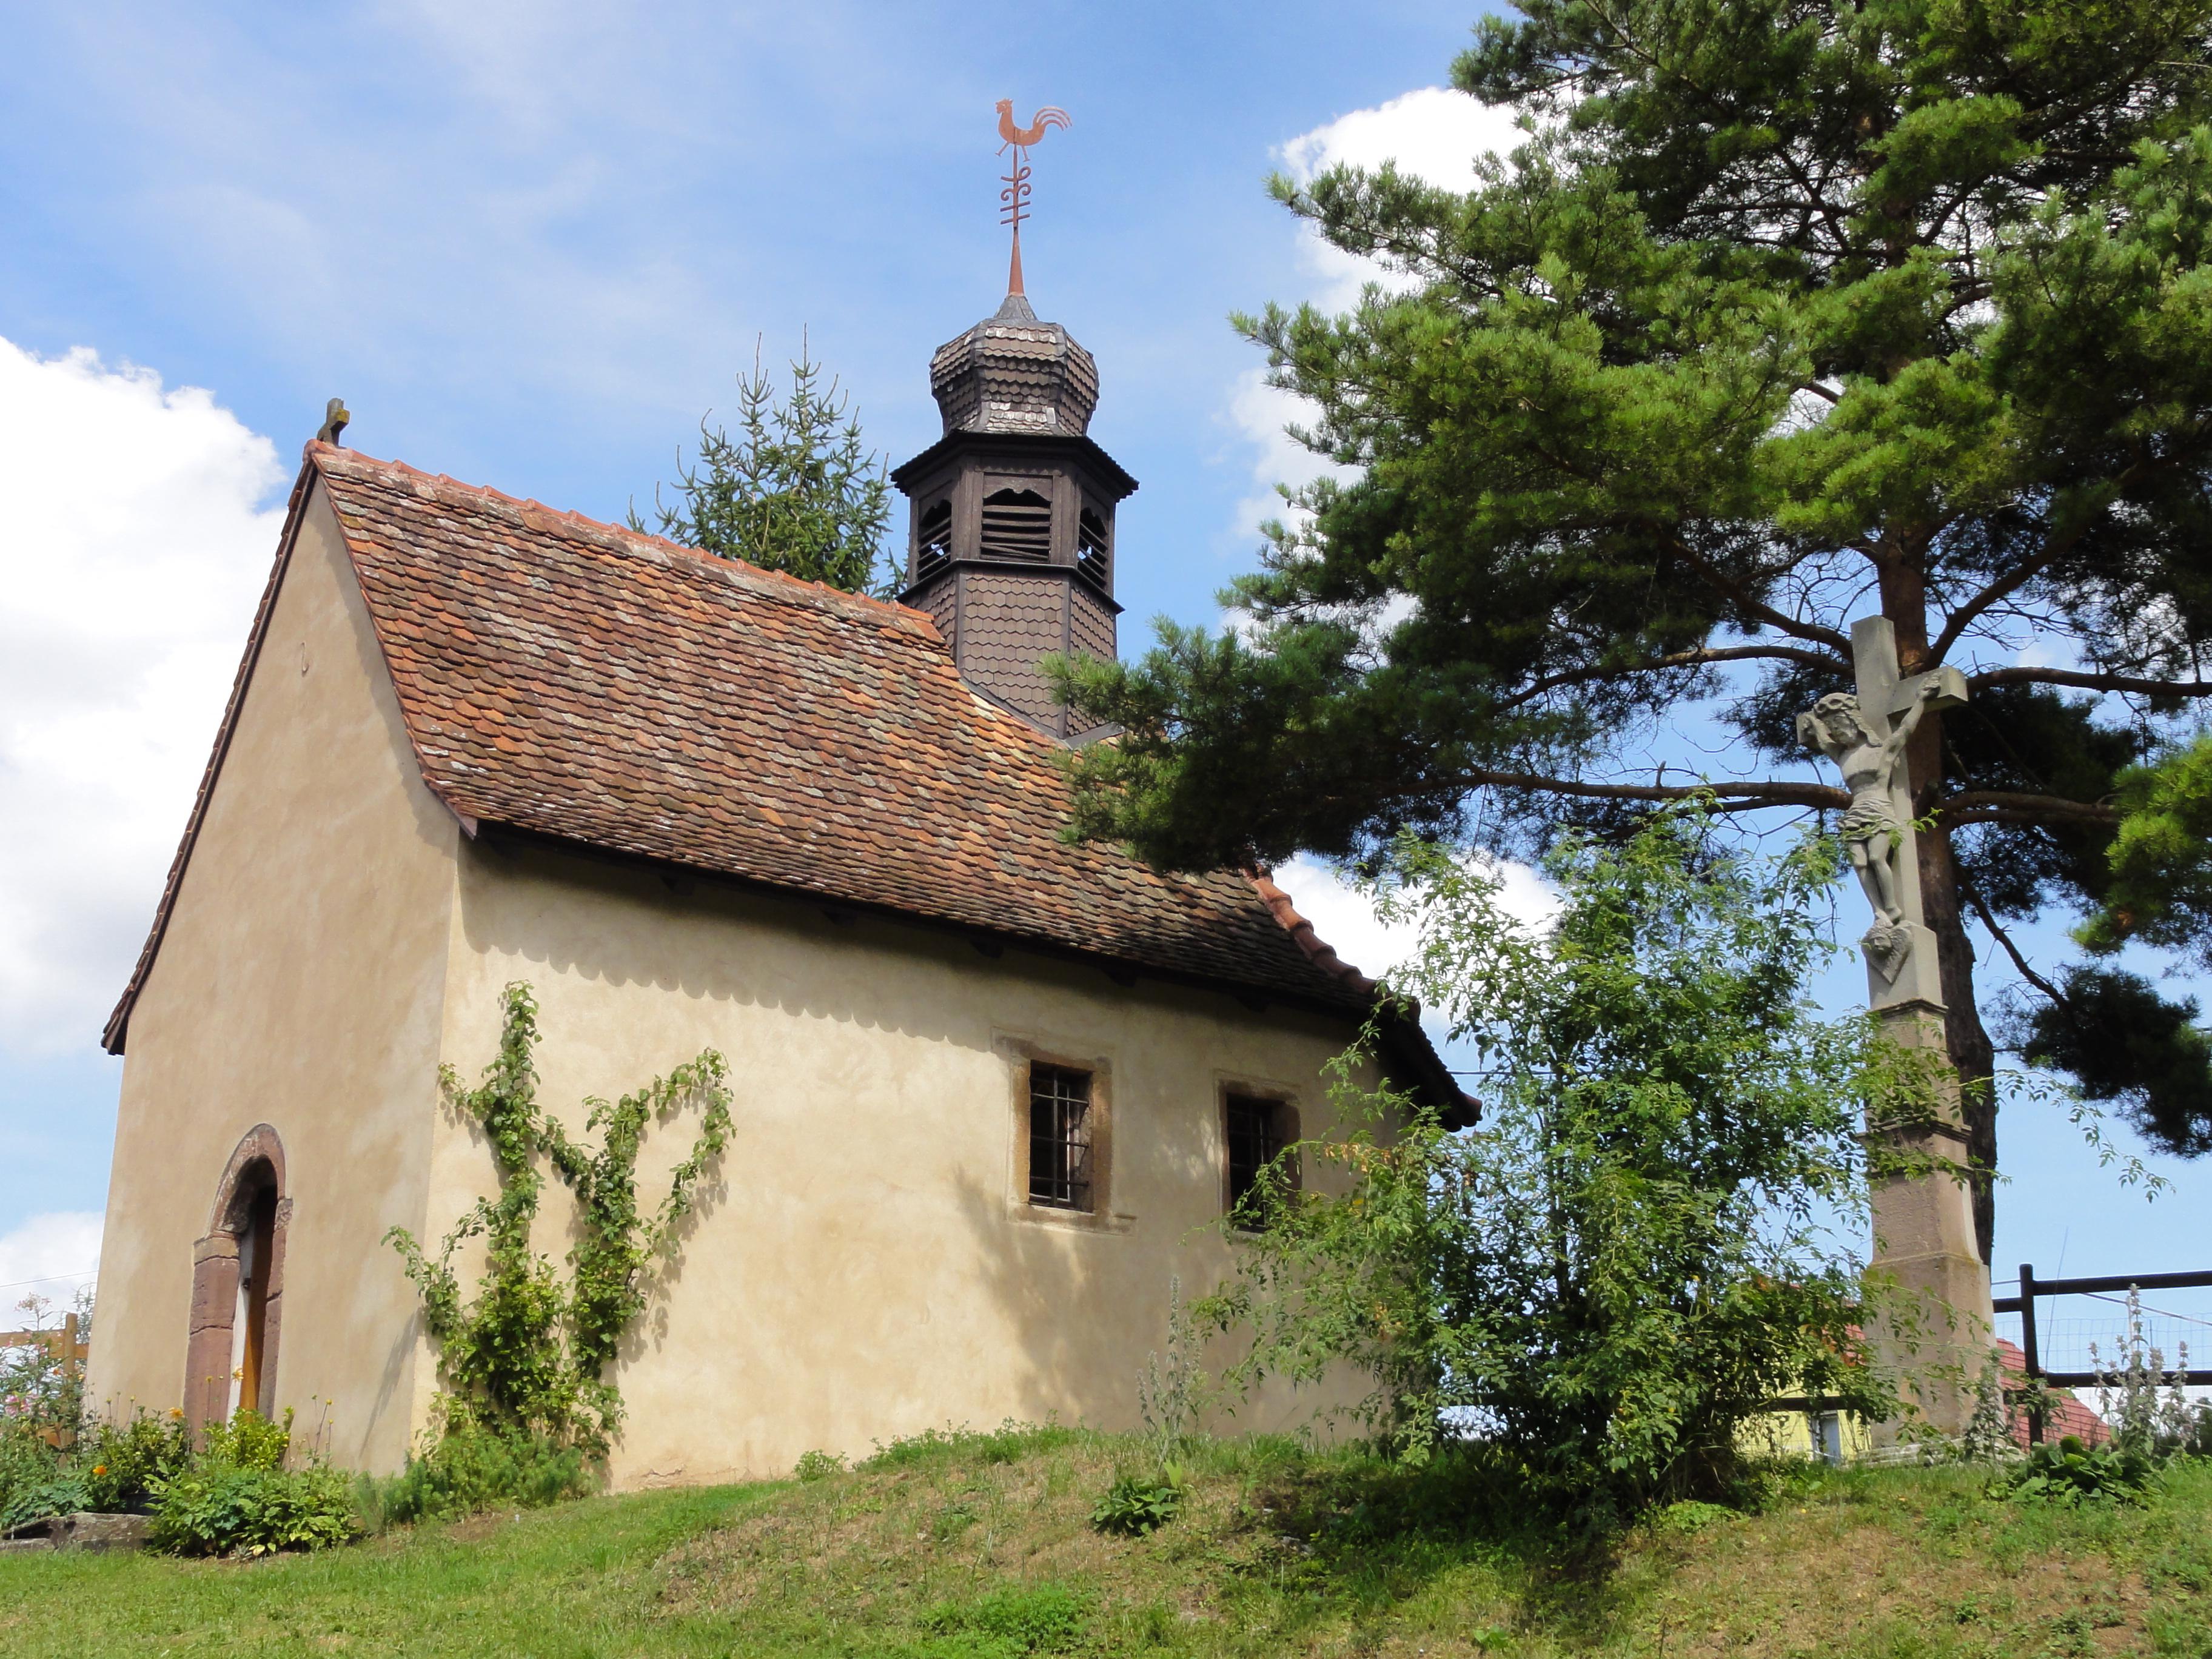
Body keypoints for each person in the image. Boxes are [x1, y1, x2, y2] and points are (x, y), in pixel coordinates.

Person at [1798, 678, 1945, 929]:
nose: (1837, 730)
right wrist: (1812, 723)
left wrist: (1920, 700)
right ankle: (1879, 911)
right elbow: (1822, 741)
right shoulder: (1843, 756)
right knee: (1859, 863)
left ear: (1854, 721)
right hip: (1855, 813)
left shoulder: (1882, 751)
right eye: (1832, 726)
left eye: (1840, 723)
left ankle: (1892, 906)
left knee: (1877, 858)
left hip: (1879, 808)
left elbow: (1906, 729)